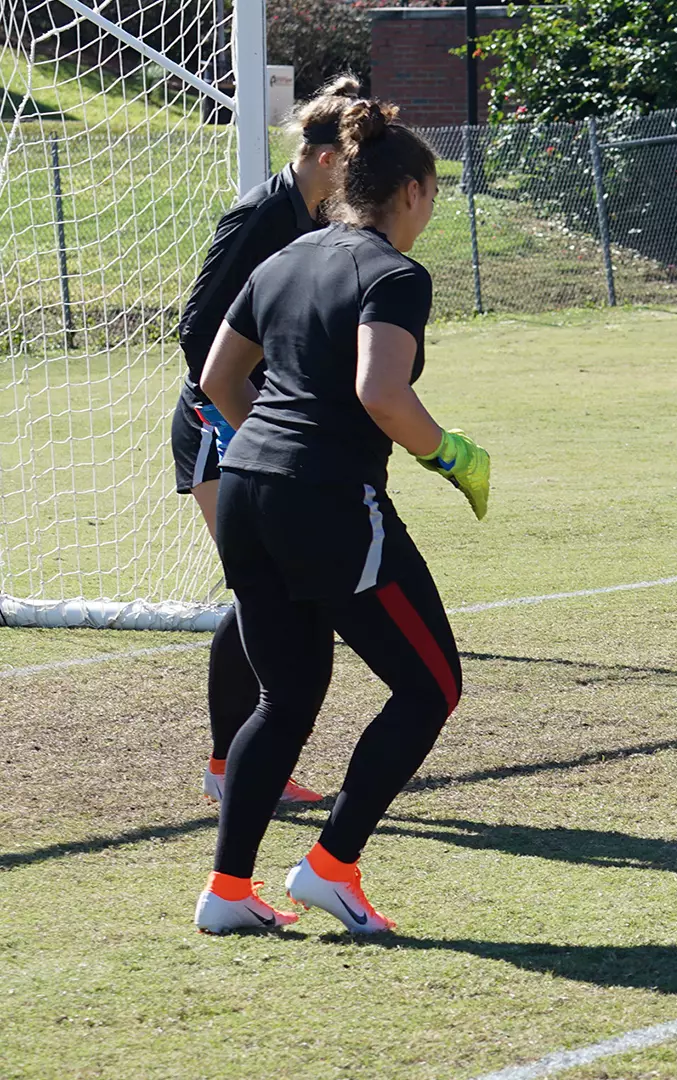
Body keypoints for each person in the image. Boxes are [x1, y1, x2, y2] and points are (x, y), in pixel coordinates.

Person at [191, 97, 491, 935]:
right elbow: (380, 394)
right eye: (433, 194)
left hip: (246, 486)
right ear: (411, 191)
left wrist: (275, 451)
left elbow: (219, 380)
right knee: (430, 684)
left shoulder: (285, 259)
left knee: (284, 698)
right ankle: (329, 866)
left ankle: (226, 892)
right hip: (324, 500)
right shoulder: (394, 274)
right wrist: (450, 455)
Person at [174, 74, 363, 807]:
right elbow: (196, 331)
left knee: (275, 587)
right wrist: (238, 417)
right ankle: (231, 768)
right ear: (322, 158)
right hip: (215, 421)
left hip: (271, 426)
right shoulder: (260, 214)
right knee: (262, 589)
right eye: (354, 161)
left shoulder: (326, 221)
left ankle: (247, 763)